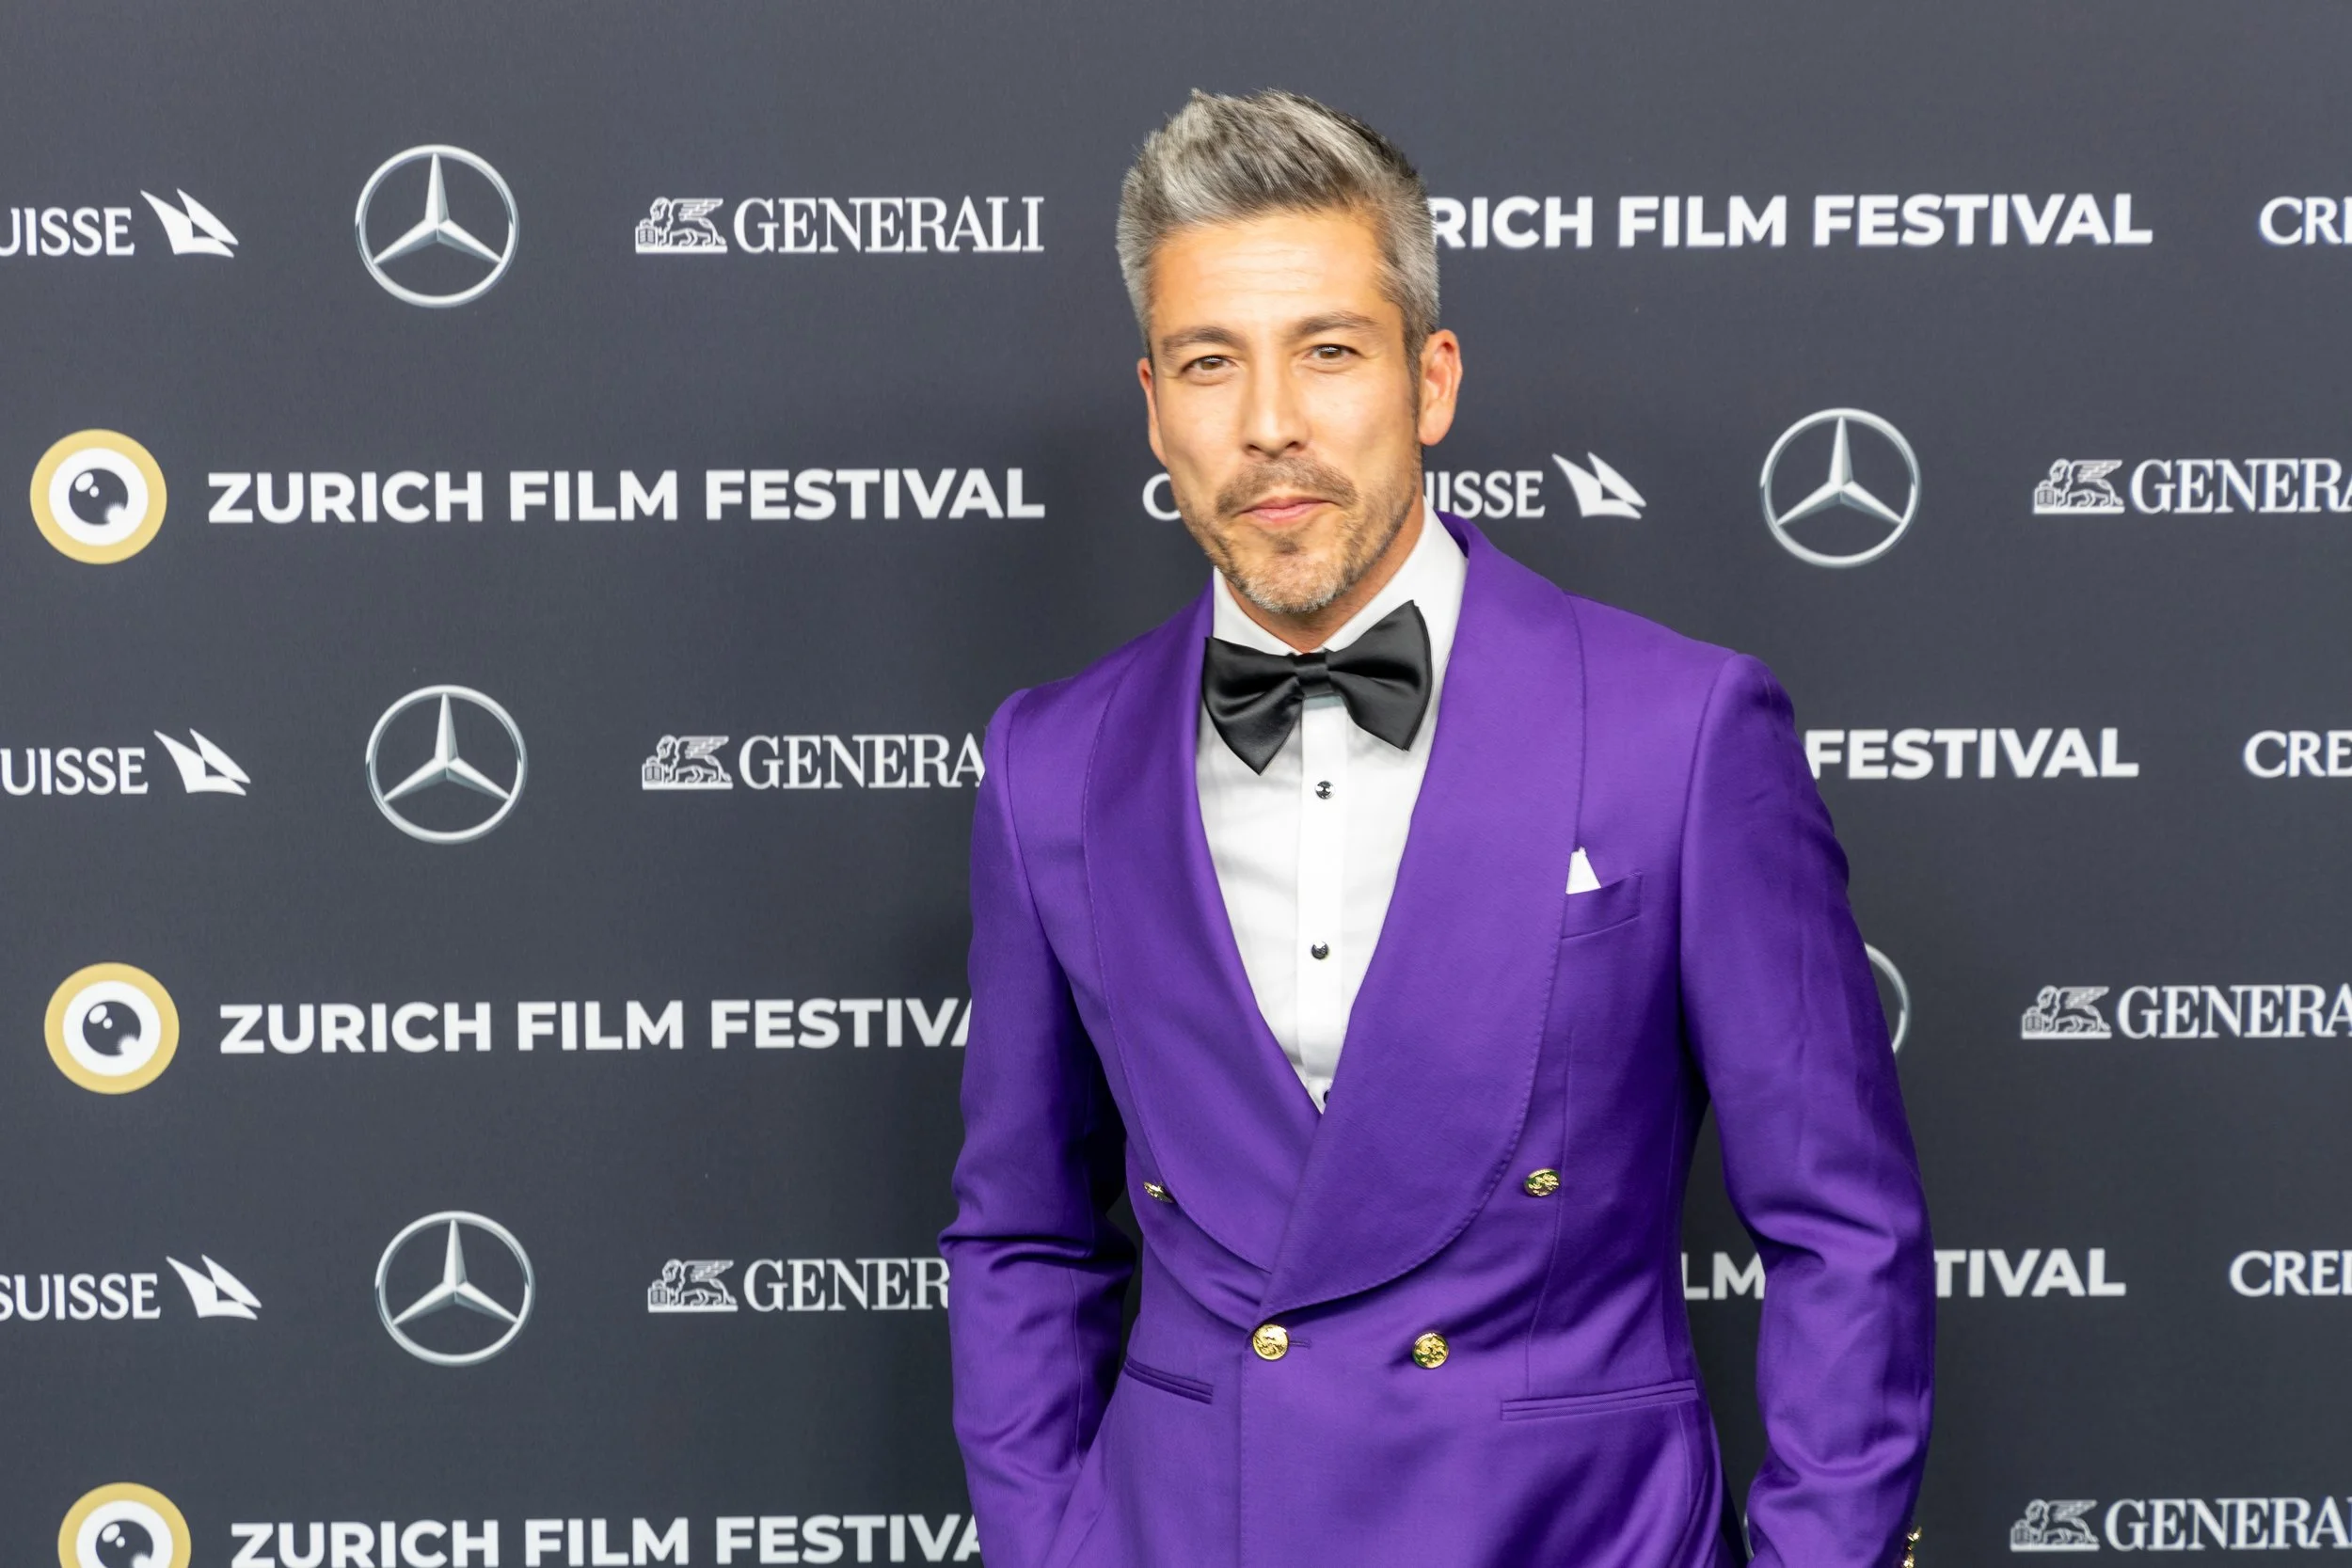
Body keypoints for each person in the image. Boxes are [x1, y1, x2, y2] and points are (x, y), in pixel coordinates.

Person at [941, 88, 1932, 1568]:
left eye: (1329, 351)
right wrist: (1051, 1544)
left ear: (1433, 378)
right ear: (1154, 404)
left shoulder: (1680, 729)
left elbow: (1842, 1227)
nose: (1269, 423)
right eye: (1211, 362)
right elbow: (1024, 1231)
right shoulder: (1051, 762)